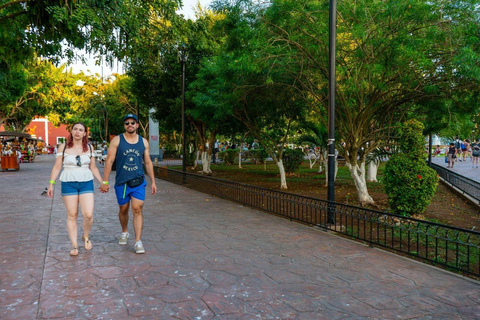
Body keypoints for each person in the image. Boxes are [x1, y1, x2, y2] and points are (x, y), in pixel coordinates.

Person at [100, 114, 157, 254]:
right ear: (124, 126)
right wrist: (105, 181)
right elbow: (109, 161)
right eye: (127, 123)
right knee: (123, 209)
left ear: (137, 125)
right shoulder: (117, 140)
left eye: (132, 122)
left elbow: (148, 162)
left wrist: (153, 181)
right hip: (122, 182)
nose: (130, 125)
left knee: (137, 209)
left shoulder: (143, 142)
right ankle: (124, 231)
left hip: (138, 181)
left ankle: (138, 241)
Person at [47, 123, 104, 256]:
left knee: (88, 214)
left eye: (81, 130)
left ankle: (86, 236)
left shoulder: (89, 147)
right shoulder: (64, 146)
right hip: (68, 182)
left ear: (85, 133)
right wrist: (51, 183)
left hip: (86, 182)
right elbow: (57, 167)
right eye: (75, 129)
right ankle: (74, 245)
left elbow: (93, 167)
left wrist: (102, 182)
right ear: (71, 131)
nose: (78, 132)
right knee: (72, 215)